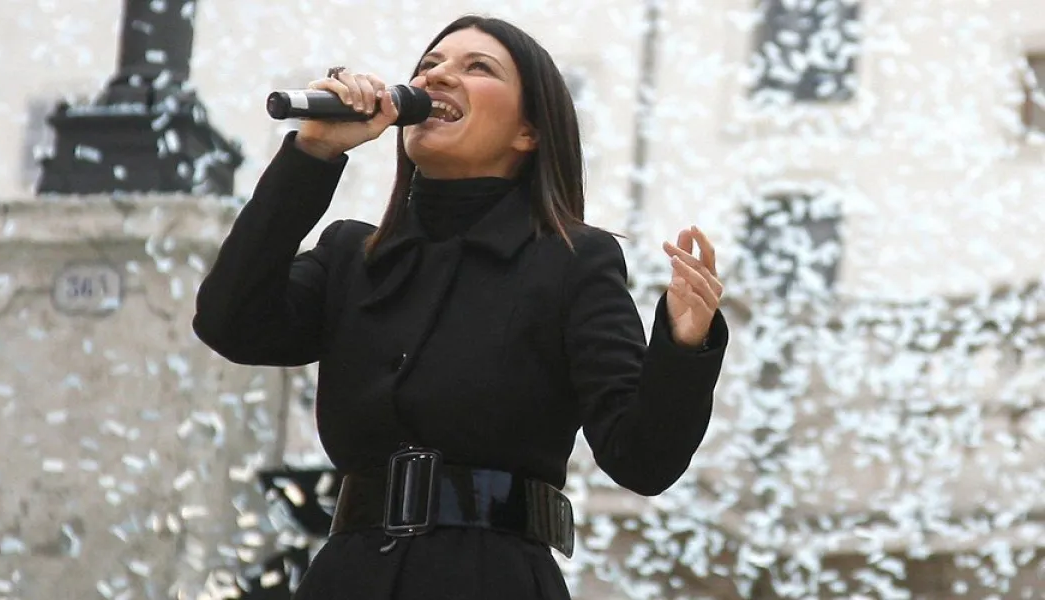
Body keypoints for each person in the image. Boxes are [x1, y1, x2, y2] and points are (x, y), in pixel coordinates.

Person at [193, 14, 729, 600]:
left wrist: (684, 345)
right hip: (350, 575)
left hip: (491, 576)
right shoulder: (350, 254)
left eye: (478, 68)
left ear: (528, 132)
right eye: (429, 65)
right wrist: (313, 154)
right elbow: (230, 322)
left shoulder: (572, 262)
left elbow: (642, 460)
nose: (439, 75)